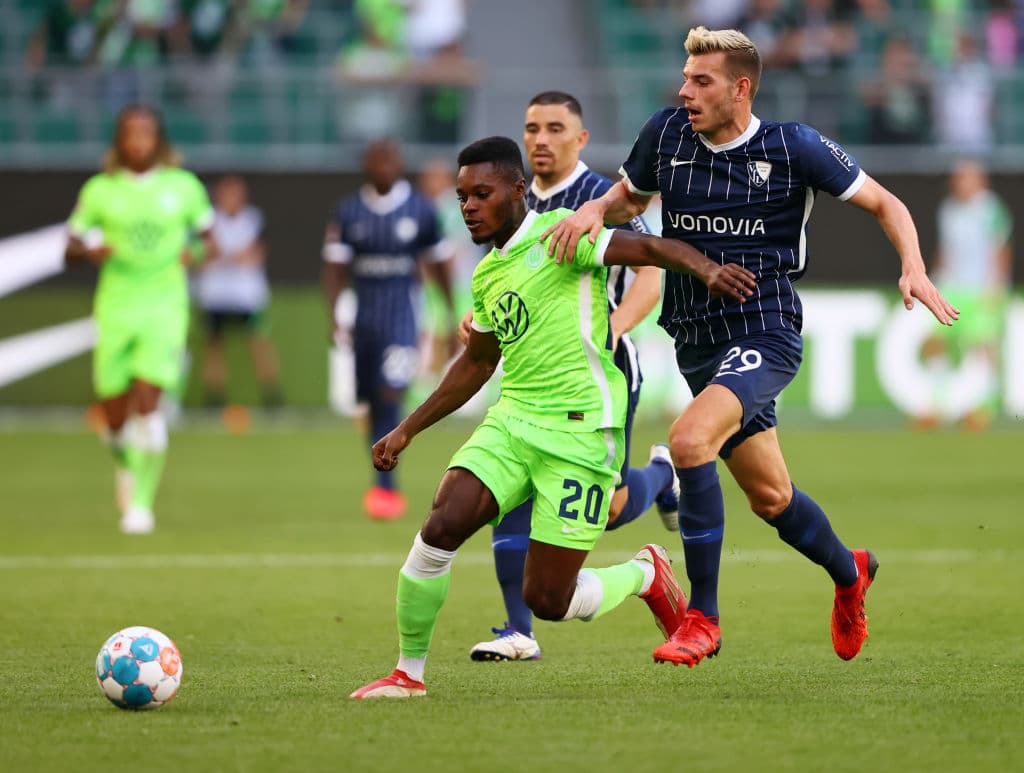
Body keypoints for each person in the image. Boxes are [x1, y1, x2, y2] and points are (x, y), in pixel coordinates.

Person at [543, 26, 959, 667]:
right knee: (771, 497)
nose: (685, 91)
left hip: (764, 328)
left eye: (701, 81)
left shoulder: (793, 147)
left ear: (740, 88)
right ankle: (850, 573)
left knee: (687, 441)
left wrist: (914, 266)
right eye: (684, 79)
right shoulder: (667, 134)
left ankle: (701, 620)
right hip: (696, 339)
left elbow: (886, 202)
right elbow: (629, 197)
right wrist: (594, 212)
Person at [349, 135, 757, 699]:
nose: (468, 205)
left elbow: (651, 252)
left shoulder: (564, 233)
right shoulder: (487, 275)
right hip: (513, 422)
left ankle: (644, 574)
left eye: (481, 194)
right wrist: (407, 428)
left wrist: (707, 271)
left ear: (518, 190)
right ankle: (407, 675)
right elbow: (478, 362)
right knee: (441, 524)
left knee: (548, 599)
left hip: (582, 432)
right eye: (463, 195)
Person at [467, 91, 682, 663]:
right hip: (532, 381)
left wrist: (615, 326)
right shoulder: (508, 200)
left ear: (580, 139)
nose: (541, 138)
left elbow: (649, 275)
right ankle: (519, 629)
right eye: (532, 127)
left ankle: (661, 476)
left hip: (602, 373)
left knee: (609, 511)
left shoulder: (597, 197)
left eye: (555, 128)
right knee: (509, 490)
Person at [65, 104, 215, 534]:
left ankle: (140, 506)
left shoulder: (183, 187)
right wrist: (88, 252)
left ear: (158, 139)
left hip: (165, 306)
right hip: (115, 306)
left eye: (146, 132)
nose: (138, 140)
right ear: (119, 140)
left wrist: (197, 253)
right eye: (130, 133)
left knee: (149, 400)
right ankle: (126, 464)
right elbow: (69, 246)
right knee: (113, 416)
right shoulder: (100, 190)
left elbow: (208, 239)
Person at [322, 138, 456, 520]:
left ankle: (385, 489)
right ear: (366, 165)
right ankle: (379, 472)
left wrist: (447, 315)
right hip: (365, 322)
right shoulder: (349, 212)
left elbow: (440, 265)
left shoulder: (421, 210)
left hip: (403, 320)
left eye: (389, 160)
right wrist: (333, 315)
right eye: (375, 160)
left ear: (398, 165)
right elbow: (333, 269)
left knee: (391, 392)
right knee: (372, 401)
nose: (383, 166)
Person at [915, 159, 1012, 431]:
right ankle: (937, 406)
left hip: (982, 289)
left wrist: (996, 287)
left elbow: (1001, 249)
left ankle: (981, 409)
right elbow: (946, 249)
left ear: (980, 181)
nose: (960, 183)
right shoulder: (948, 209)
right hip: (952, 288)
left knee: (981, 348)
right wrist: (932, 279)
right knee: (934, 342)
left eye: (966, 178)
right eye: (958, 178)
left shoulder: (991, 209)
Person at [194, 174, 283, 410]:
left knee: (259, 343)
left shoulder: (254, 219)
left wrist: (223, 256)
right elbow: (202, 255)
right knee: (215, 345)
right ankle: (214, 399)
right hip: (215, 295)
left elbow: (255, 254)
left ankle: (272, 397)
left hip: (247, 297)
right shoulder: (208, 221)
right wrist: (229, 256)